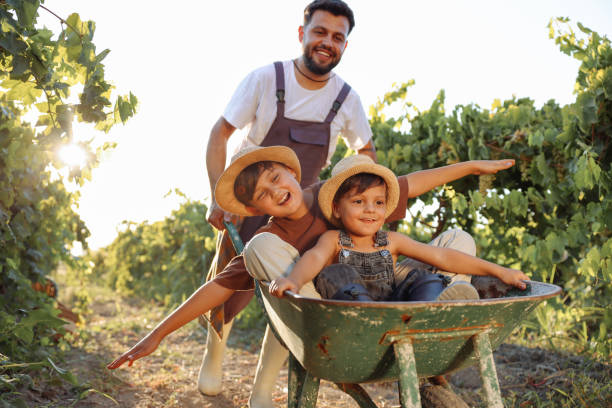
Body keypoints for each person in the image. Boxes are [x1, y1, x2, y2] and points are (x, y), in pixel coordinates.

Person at [108, 145, 516, 408]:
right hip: (348, 314)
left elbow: (408, 185)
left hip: (399, 298)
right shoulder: (274, 237)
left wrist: (470, 167)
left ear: (291, 171)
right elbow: (216, 288)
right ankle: (388, 328)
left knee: (457, 239)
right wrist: (157, 335)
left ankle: (438, 325)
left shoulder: (337, 195)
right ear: (252, 209)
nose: (275, 191)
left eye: (276, 178)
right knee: (263, 252)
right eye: (262, 195)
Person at [200, 1, 375, 404]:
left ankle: (262, 390)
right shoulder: (266, 79)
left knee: (292, 293)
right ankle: (214, 356)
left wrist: (356, 206)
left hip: (304, 206)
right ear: (302, 34)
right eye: (320, 32)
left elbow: (366, 154)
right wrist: (216, 197)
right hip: (250, 200)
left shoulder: (347, 98)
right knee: (227, 284)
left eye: (337, 37)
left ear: (345, 45)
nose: (327, 42)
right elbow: (218, 134)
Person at [267, 155, 528, 302]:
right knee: (338, 272)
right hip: (353, 313)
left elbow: (442, 257)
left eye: (378, 203)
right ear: (337, 208)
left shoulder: (391, 240)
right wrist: (294, 280)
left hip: (393, 308)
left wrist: (500, 271)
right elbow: (313, 259)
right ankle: (372, 315)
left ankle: (432, 309)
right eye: (358, 202)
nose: (370, 210)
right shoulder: (333, 239)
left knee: (425, 278)